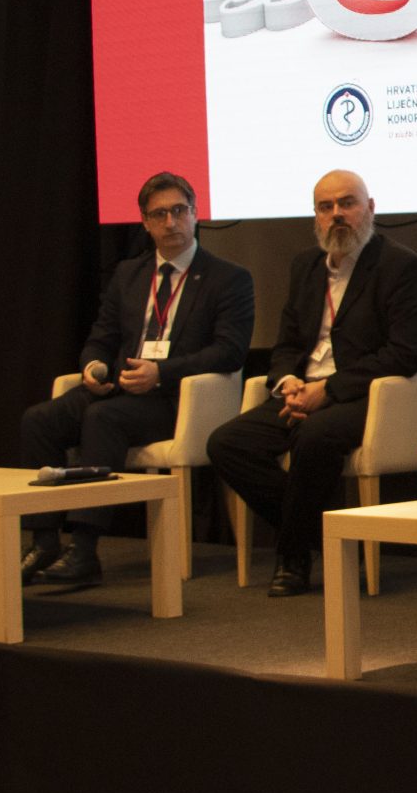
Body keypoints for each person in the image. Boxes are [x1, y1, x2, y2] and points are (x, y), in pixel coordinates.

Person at [15, 171, 254, 587]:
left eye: (179, 211)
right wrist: (93, 368)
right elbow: (101, 337)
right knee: (39, 420)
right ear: (144, 222)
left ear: (196, 213)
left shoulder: (228, 278)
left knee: (103, 419)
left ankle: (84, 549)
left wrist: (161, 373)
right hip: (121, 389)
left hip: (177, 401)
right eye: (159, 214)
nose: (170, 222)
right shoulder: (128, 274)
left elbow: (229, 351)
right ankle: (44, 539)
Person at [206, 168, 417, 596]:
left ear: (370, 208)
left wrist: (327, 390)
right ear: (316, 216)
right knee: (226, 444)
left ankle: (293, 556)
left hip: (363, 396)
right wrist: (288, 382)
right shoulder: (306, 266)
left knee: (312, 436)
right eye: (326, 207)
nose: (337, 215)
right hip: (304, 391)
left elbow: (408, 353)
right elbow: (288, 342)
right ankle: (323, 533)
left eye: (347, 203)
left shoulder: (400, 266)